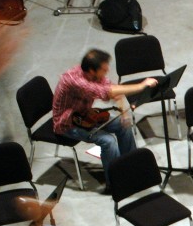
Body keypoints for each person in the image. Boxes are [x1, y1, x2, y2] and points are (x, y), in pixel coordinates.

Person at [52, 49, 157, 188]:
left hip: (85, 115)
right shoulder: (74, 81)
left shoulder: (94, 75)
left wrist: (124, 115)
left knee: (123, 125)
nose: (107, 70)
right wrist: (141, 85)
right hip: (67, 123)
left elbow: (114, 92)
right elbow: (106, 91)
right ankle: (115, 182)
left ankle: (131, 166)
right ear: (91, 70)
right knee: (108, 141)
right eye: (103, 69)